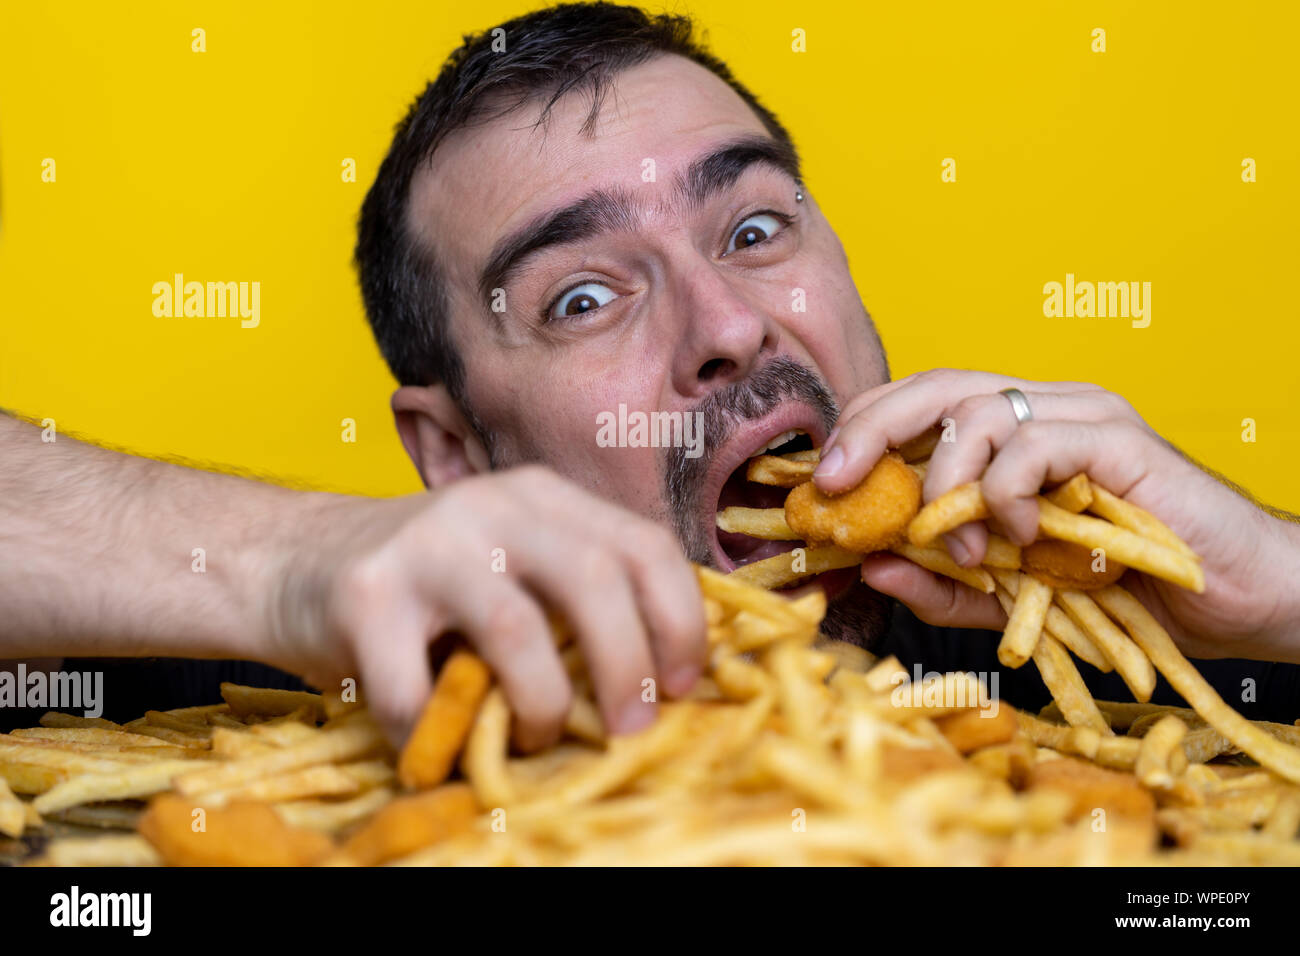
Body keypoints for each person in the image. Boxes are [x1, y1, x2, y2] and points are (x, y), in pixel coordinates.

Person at [4, 3, 1299, 748]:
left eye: (751, 230)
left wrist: (1278, 591)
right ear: (455, 457)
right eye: (581, 296)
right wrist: (283, 560)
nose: (727, 325)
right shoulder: (277, 724)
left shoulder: (1143, 690)